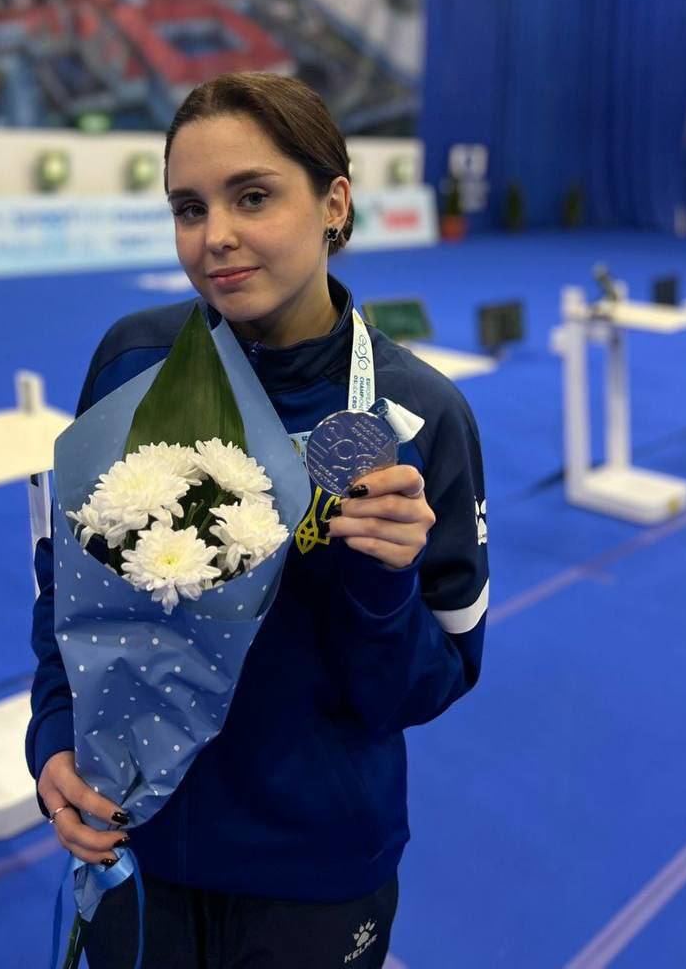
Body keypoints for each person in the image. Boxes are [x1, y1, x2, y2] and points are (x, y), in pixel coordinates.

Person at [27, 72, 488, 968]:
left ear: (334, 203)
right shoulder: (133, 361)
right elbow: (67, 586)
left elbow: (432, 683)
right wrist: (53, 738)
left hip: (317, 872)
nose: (216, 237)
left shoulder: (418, 415)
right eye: (189, 208)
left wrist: (382, 588)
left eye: (253, 197)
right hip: (138, 841)